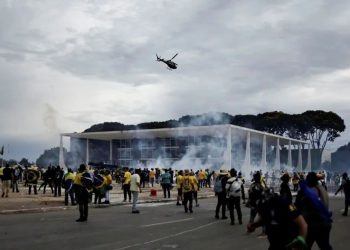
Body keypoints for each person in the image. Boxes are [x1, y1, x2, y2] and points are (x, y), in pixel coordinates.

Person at [295, 172, 333, 250]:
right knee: (325, 247)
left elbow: (298, 206)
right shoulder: (321, 189)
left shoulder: (307, 192)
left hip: (313, 224)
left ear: (308, 180)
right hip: (324, 223)